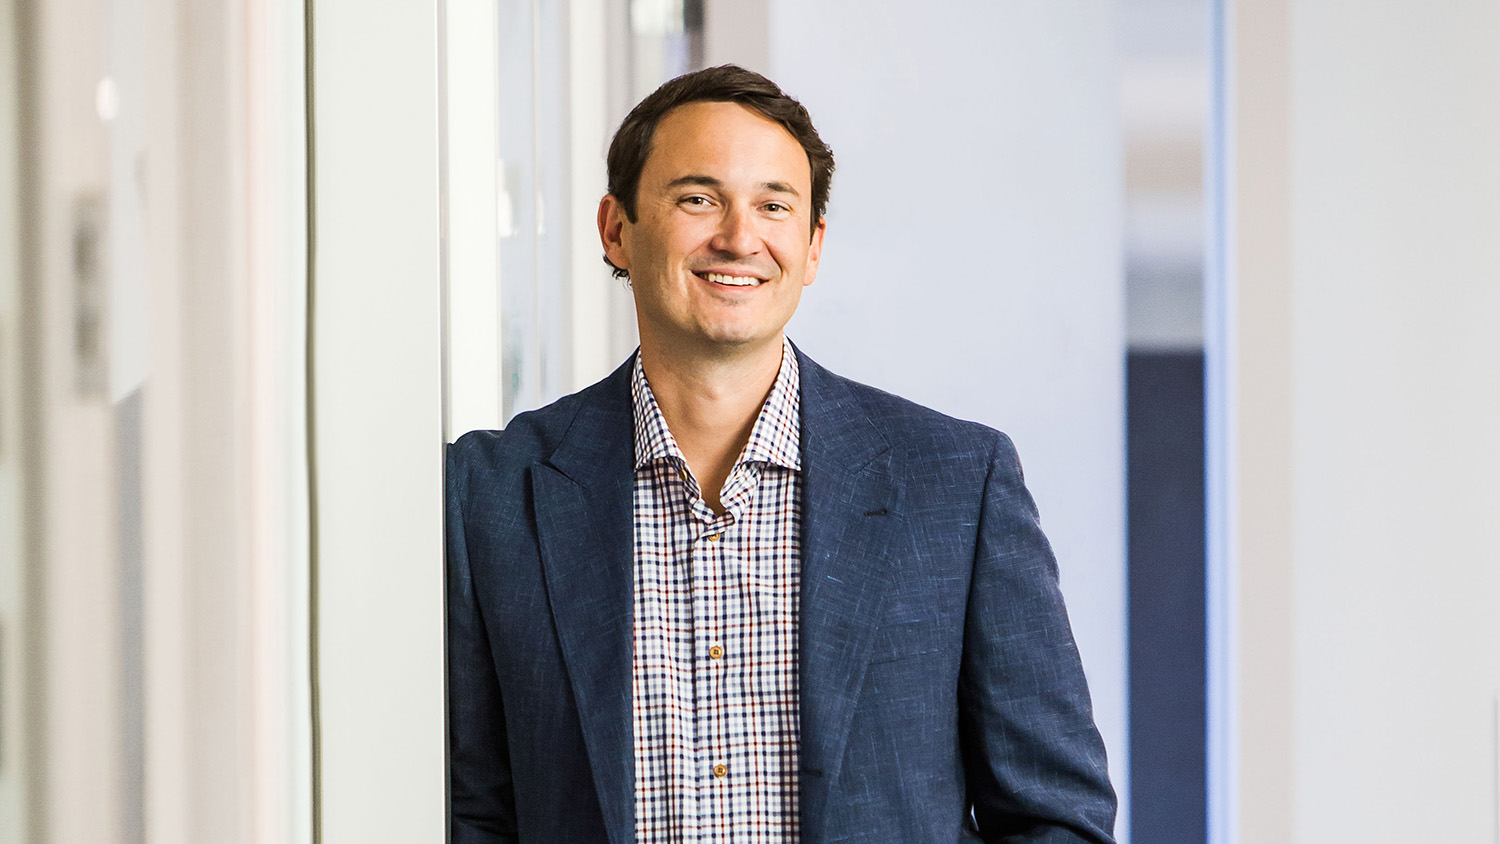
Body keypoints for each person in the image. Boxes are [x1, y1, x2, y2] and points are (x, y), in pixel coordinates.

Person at [447, 64, 1117, 844]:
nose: (739, 236)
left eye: (774, 205)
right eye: (698, 198)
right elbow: (469, 813)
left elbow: (1056, 818)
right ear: (616, 229)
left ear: (812, 246)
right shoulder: (489, 494)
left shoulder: (957, 485)